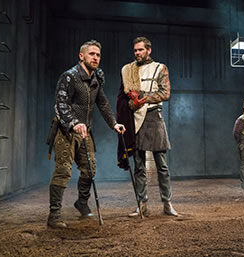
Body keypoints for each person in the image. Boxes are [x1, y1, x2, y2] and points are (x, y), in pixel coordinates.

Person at [47, 40, 125, 228]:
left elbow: (103, 104)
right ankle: (54, 215)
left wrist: (114, 124)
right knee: (63, 170)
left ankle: (81, 203)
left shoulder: (96, 79)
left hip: (85, 132)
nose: (95, 57)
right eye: (92, 54)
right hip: (66, 131)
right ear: (81, 56)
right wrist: (74, 123)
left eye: (98, 55)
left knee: (90, 170)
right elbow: (61, 104)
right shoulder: (70, 77)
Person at [117, 37, 178, 217]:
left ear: (148, 50)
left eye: (141, 50)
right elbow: (123, 97)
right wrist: (130, 104)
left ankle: (167, 204)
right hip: (135, 119)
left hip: (153, 117)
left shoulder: (160, 67)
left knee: (162, 166)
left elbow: (165, 93)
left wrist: (143, 97)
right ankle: (141, 204)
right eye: (135, 50)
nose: (137, 53)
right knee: (139, 165)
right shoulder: (128, 70)